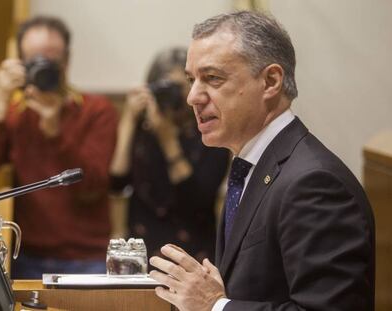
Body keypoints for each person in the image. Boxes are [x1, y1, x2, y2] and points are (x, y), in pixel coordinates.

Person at [149, 11, 375, 311]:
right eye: (192, 80)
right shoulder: (252, 167)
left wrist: (215, 306)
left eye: (212, 78)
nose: (192, 97)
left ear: (270, 81)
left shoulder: (314, 184)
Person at [0, 16, 117, 278]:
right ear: (20, 64)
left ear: (67, 61)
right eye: (34, 61)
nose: (44, 69)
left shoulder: (97, 111)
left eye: (51, 60)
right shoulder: (16, 113)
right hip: (26, 256)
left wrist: (55, 132)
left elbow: (93, 187)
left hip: (86, 258)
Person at [110, 47, 229, 262]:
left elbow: (197, 200)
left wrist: (168, 140)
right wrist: (128, 121)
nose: (171, 96)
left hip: (193, 253)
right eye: (164, 87)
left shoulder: (210, 133)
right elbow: (117, 182)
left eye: (178, 87)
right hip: (142, 252)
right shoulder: (141, 127)